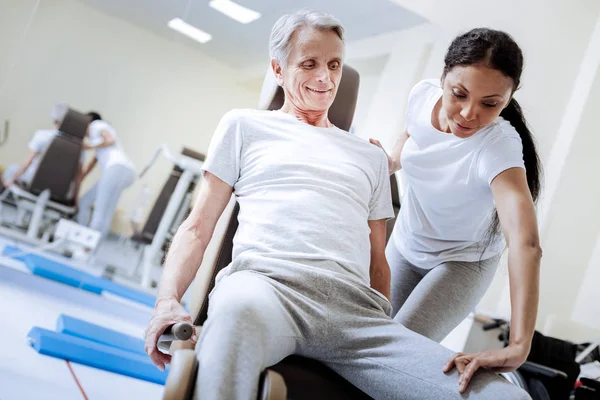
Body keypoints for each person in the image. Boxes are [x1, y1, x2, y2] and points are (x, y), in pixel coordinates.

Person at [144, 11, 530, 400]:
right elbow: (198, 227)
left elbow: (379, 261)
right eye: (309, 64)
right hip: (265, 291)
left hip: (356, 317)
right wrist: (167, 302)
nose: (325, 78)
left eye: (334, 64)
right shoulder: (244, 126)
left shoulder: (370, 157)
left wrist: (383, 328)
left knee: (506, 397)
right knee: (234, 317)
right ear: (278, 69)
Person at [370, 28, 542, 379]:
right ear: (444, 76)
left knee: (390, 358)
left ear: (508, 99)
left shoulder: (498, 147)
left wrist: (519, 345)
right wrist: (389, 161)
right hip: (406, 246)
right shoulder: (422, 96)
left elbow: (525, 243)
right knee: (368, 337)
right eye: (459, 94)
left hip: (462, 262)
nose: (467, 113)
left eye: (489, 104)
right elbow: (412, 138)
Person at [77, 112, 136, 238]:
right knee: (86, 202)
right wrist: (81, 178)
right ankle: (85, 239)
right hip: (125, 170)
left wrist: (88, 147)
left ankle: (87, 244)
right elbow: (93, 162)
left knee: (101, 209)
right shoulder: (97, 141)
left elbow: (109, 139)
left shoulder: (95, 125)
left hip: (116, 168)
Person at [2, 103, 74, 188]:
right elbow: (77, 176)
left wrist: (11, 180)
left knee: (10, 169)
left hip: (32, 180)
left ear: (54, 119)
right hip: (56, 187)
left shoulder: (42, 135)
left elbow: (28, 163)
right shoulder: (77, 145)